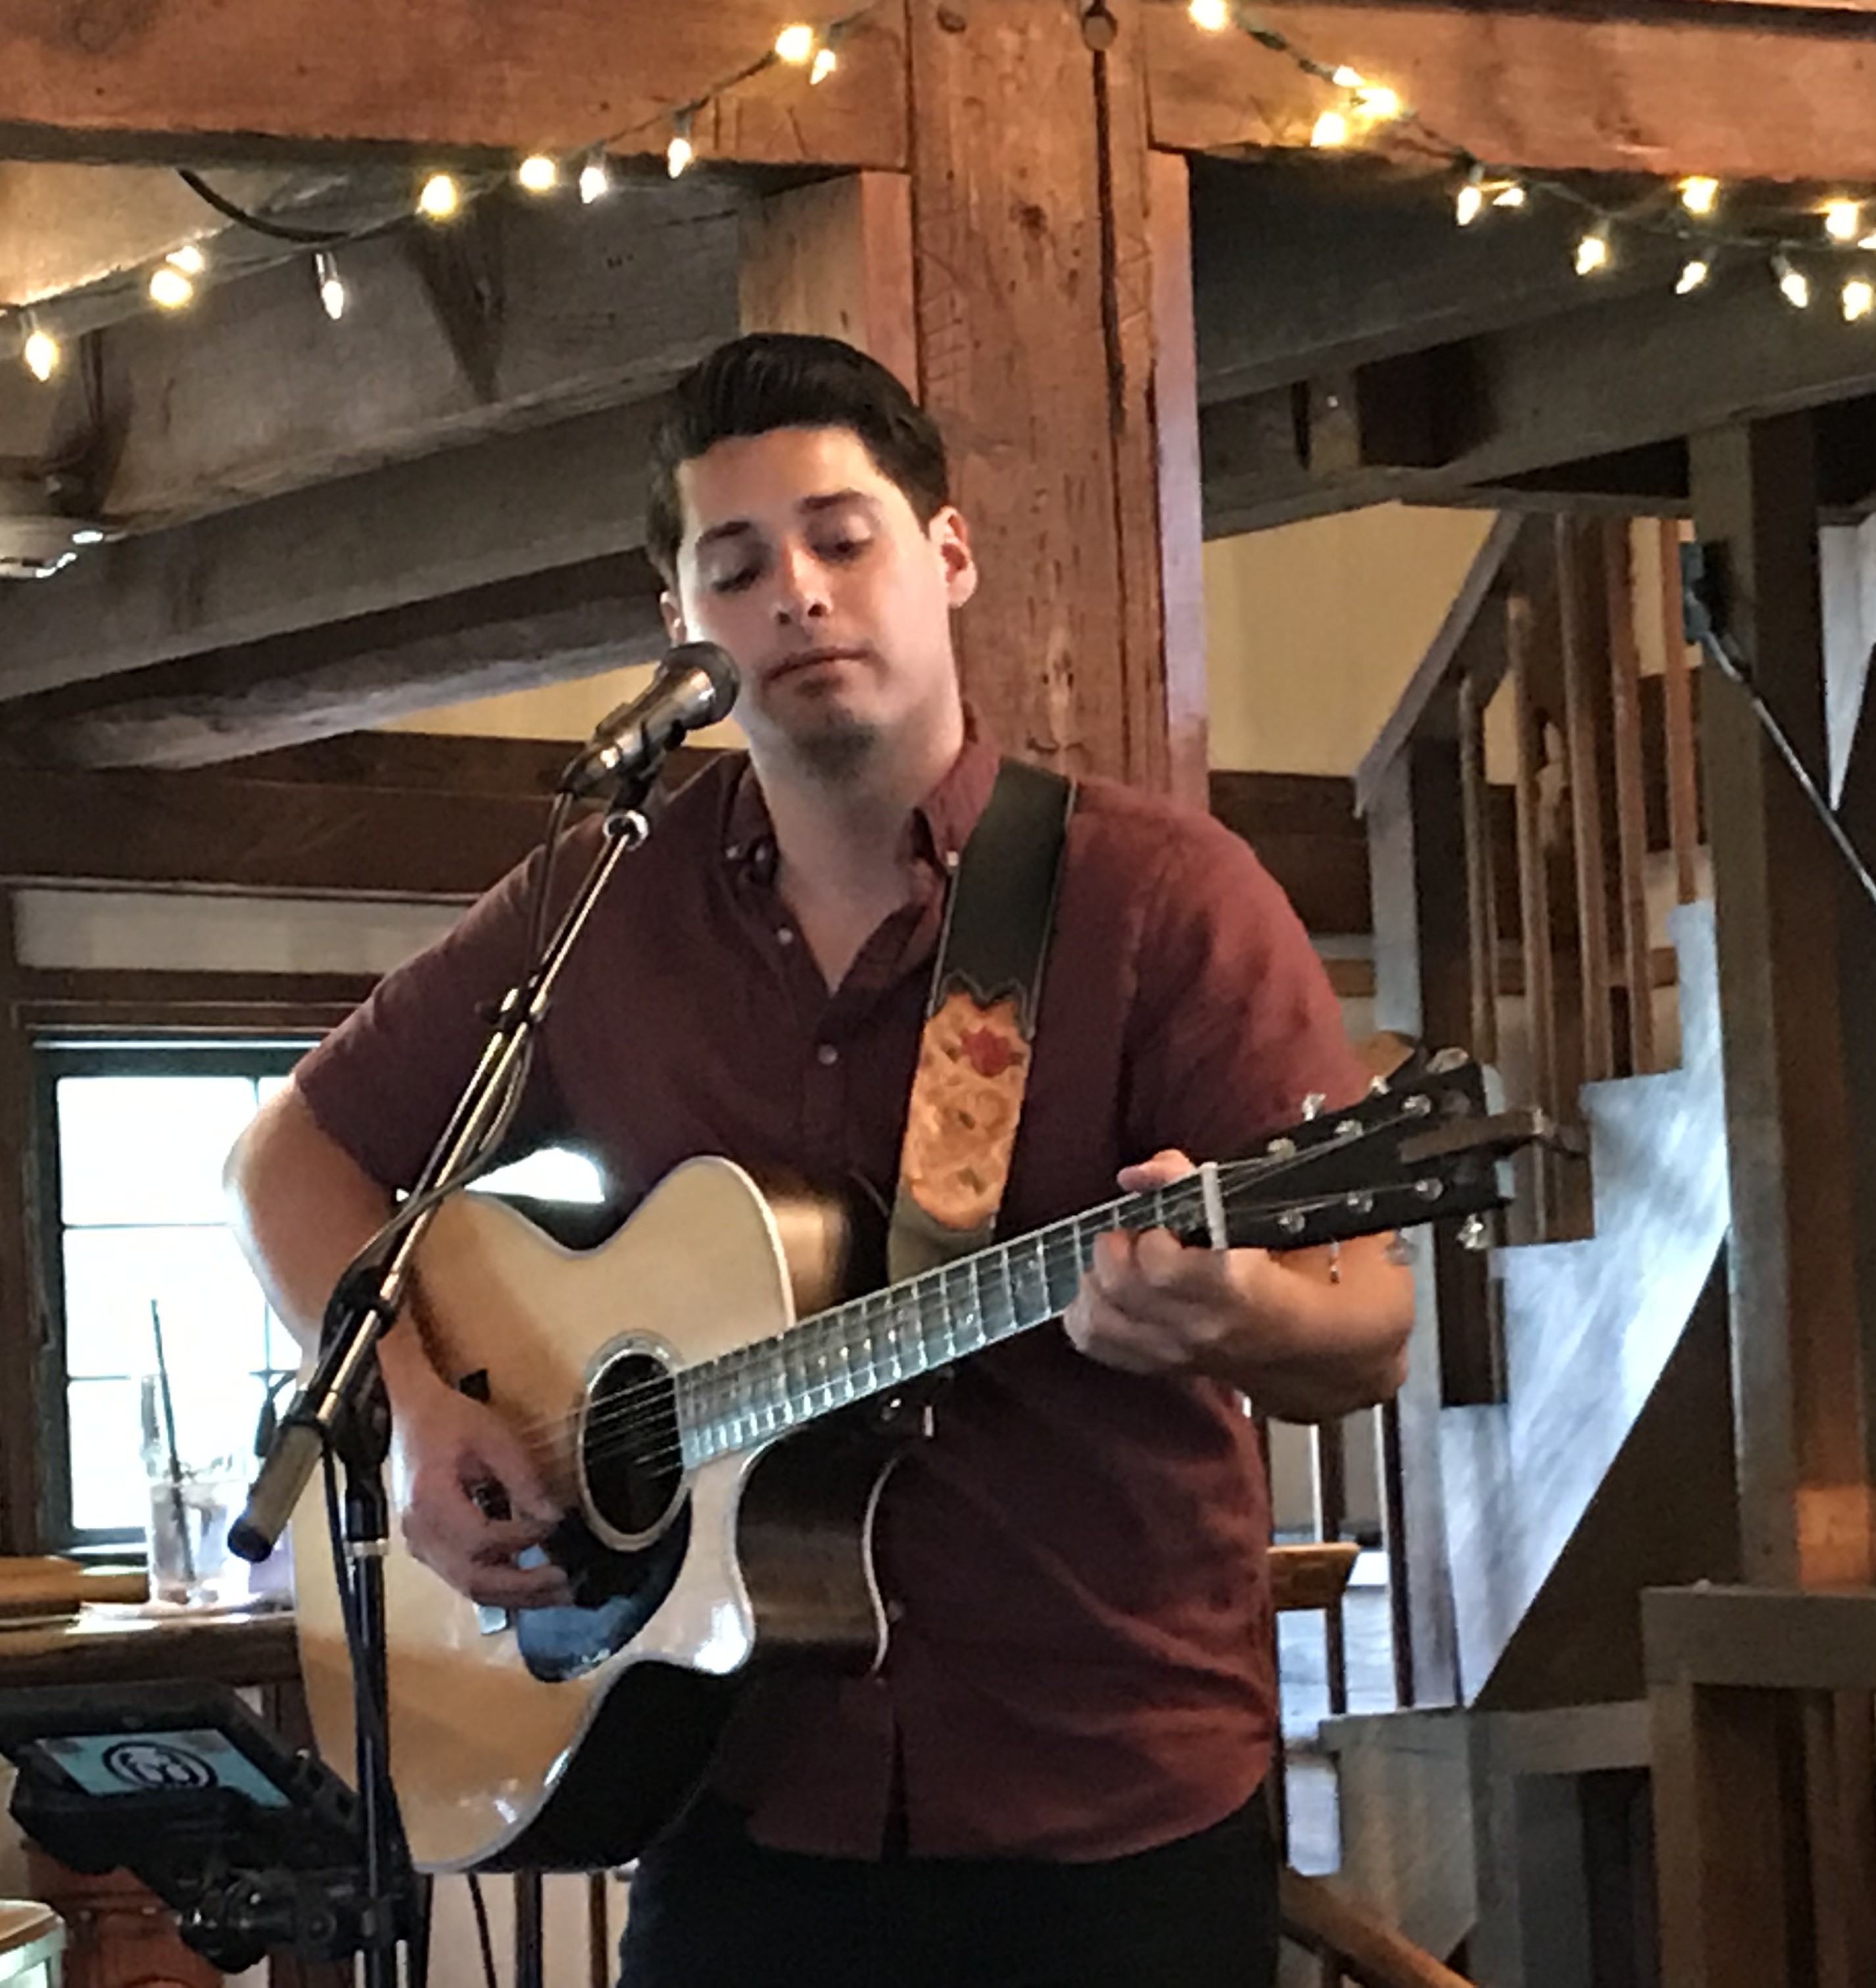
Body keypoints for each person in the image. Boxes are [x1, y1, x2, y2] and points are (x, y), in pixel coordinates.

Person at [224, 332, 1414, 1987]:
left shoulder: (1158, 904)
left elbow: (1367, 1317)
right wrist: (423, 1409)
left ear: (947, 555)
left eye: (843, 537)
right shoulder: (602, 906)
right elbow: (292, 1156)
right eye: (737, 562)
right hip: (741, 1791)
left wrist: (1236, 1318)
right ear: (680, 621)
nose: (796, 591)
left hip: (1099, 1800)